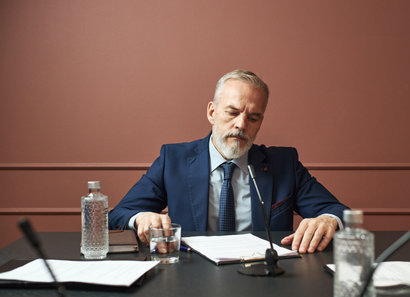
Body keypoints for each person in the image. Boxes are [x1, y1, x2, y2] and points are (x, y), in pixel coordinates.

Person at [108, 69, 349, 254]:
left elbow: (340, 212)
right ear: (212, 112)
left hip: (265, 281)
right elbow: (119, 213)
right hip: (191, 277)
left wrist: (328, 220)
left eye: (253, 118)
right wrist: (140, 218)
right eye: (232, 113)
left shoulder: (283, 163)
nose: (242, 125)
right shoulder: (174, 159)